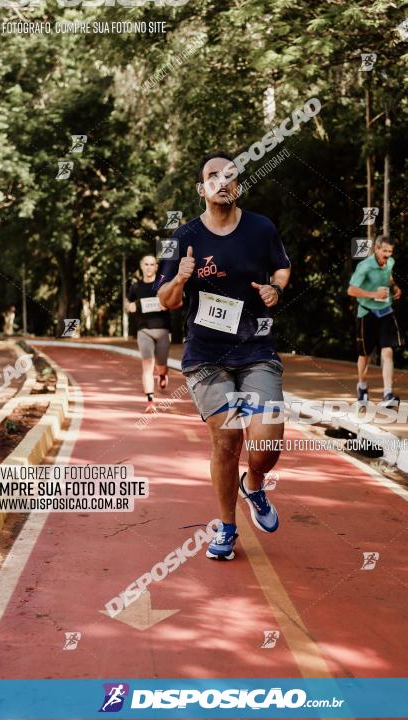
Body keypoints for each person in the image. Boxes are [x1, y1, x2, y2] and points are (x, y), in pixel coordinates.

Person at [156, 151, 291, 561]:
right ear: (202, 189)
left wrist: (276, 289)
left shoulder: (260, 228)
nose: (222, 181)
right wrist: (179, 278)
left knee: (267, 444)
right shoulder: (183, 237)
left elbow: (281, 267)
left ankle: (254, 485)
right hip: (206, 357)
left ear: (238, 186)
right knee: (228, 436)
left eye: (230, 176)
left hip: (256, 350)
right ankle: (227, 528)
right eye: (213, 176)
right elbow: (167, 300)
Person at [348, 234, 402, 408]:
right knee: (365, 355)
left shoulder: (390, 262)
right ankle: (362, 386)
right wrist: (373, 295)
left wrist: (394, 287)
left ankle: (387, 393)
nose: (387, 254)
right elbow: (351, 290)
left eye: (390, 251)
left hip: (385, 312)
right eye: (384, 250)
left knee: (388, 352)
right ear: (376, 249)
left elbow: (389, 277)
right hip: (367, 313)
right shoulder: (364, 266)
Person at [126, 255, 171, 414]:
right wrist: (131, 307)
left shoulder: (163, 285)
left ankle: (163, 374)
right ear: (141, 266)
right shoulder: (135, 287)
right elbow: (128, 304)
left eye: (152, 264)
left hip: (163, 330)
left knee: (160, 366)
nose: (149, 267)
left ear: (156, 267)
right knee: (147, 365)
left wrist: (166, 303)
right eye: (146, 264)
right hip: (143, 331)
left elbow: (173, 301)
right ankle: (150, 401)